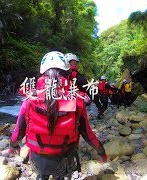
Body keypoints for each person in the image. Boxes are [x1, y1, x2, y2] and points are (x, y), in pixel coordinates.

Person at [10, 51, 107, 180]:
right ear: (67, 72)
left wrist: (13, 145)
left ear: (42, 72)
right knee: (61, 176)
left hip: (39, 154)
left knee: (41, 175)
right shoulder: (77, 100)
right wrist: (101, 151)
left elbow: (19, 130)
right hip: (65, 154)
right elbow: (87, 134)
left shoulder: (30, 99)